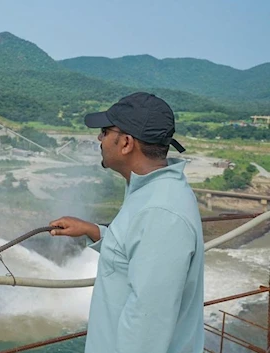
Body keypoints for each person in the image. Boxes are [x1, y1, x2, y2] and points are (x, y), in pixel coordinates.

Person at [50, 92, 204, 353]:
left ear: (126, 143)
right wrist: (94, 232)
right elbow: (140, 253)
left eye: (104, 131)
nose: (100, 139)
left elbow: (147, 325)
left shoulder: (160, 213)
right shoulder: (151, 192)